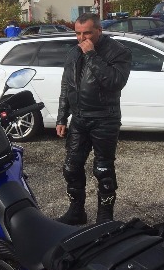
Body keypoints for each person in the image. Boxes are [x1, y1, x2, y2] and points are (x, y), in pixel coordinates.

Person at [55, 13, 131, 225]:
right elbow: (66, 86)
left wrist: (91, 55)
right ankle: (76, 212)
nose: (81, 38)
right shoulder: (73, 52)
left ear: (99, 30)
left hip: (105, 119)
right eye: (77, 33)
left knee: (103, 170)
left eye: (87, 33)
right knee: (71, 167)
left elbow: (114, 82)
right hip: (79, 119)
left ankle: (105, 217)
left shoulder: (118, 51)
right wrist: (62, 117)